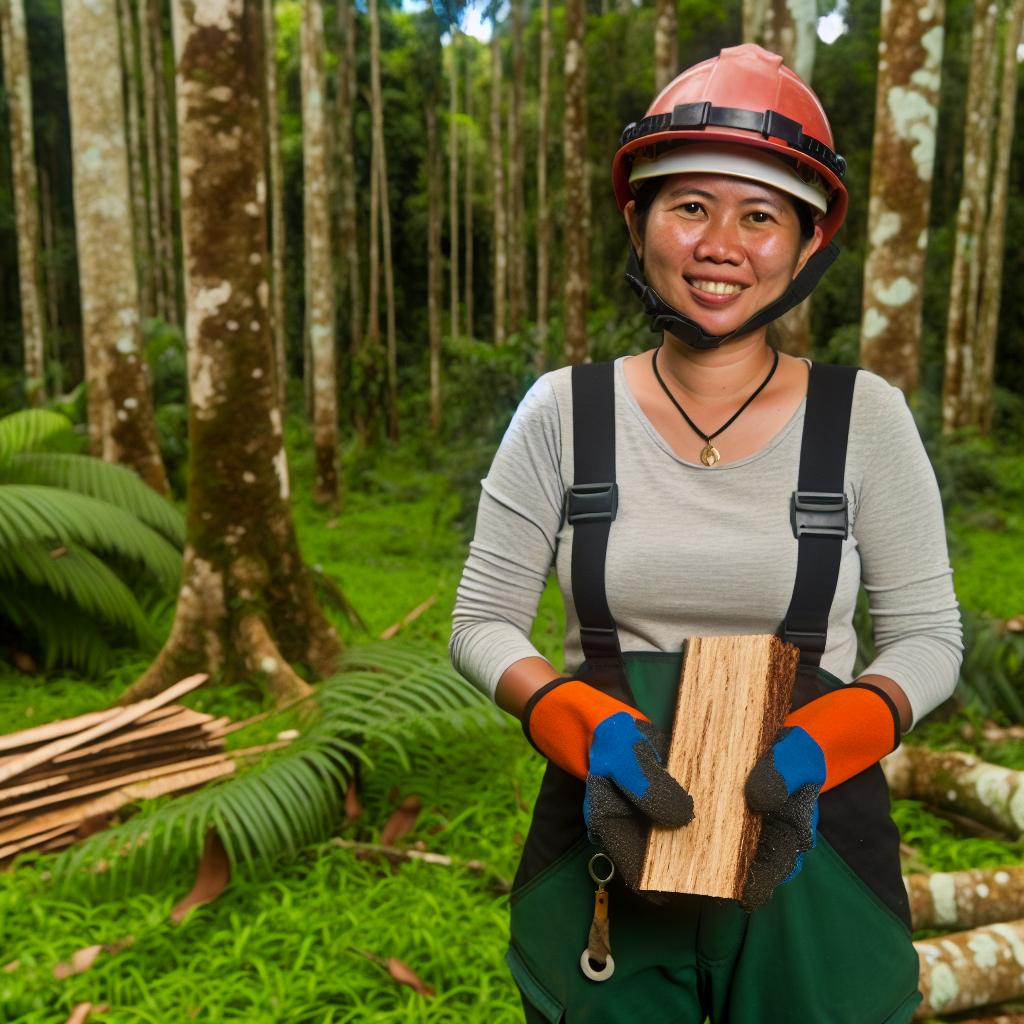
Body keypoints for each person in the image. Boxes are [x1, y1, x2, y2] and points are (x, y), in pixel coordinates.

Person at [450, 43, 962, 1024]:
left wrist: (831, 732)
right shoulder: (563, 412)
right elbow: (480, 622)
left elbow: (929, 637)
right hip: (608, 826)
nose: (720, 242)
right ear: (639, 221)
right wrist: (576, 721)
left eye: (759, 213)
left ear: (807, 243)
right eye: (690, 205)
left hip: (811, 833)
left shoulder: (864, 418)